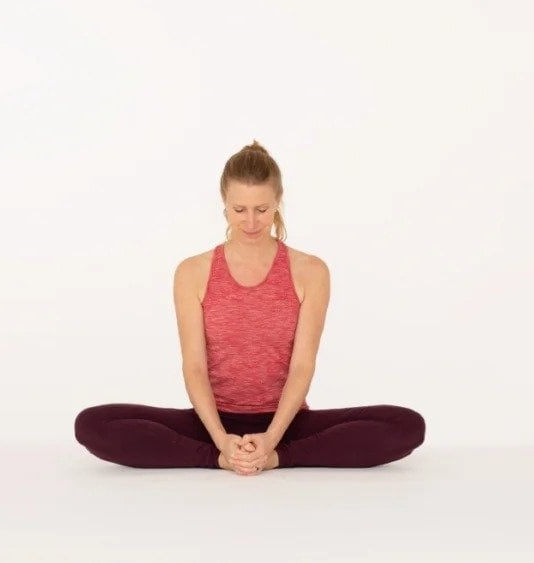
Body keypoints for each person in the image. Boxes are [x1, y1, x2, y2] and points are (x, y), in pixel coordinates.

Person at [74, 140, 425, 475]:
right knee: (93, 424)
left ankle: (279, 459)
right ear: (224, 203)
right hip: (212, 422)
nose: (252, 222)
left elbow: (303, 366)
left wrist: (272, 443)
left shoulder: (310, 271)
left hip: (286, 423)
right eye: (239, 210)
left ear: (278, 202)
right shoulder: (192, 272)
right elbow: (194, 367)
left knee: (406, 425)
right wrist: (222, 445)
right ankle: (217, 459)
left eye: (262, 209)